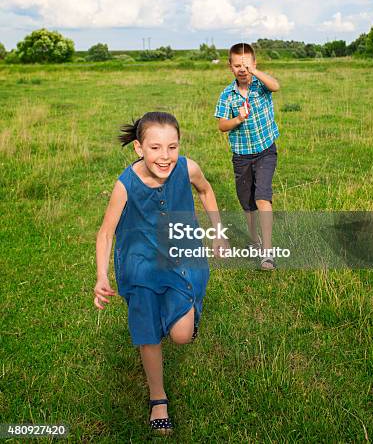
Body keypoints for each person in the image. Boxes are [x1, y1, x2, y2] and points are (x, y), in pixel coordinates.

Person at [94, 111, 226, 435]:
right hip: (140, 266)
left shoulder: (188, 168)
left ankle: (184, 315)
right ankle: (158, 398)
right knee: (147, 330)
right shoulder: (125, 185)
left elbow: (206, 191)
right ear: (139, 148)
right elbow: (106, 233)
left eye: (172, 147)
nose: (164, 157)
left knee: (181, 336)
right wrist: (102, 276)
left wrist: (218, 230)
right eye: (155, 148)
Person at [214, 43, 280, 270]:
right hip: (241, 156)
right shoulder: (227, 95)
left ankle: (267, 252)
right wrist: (238, 119)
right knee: (247, 203)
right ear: (230, 67)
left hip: (265, 151)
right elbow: (222, 125)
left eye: (246, 64)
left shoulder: (261, 85)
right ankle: (254, 241)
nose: (242, 69)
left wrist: (256, 72)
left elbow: (276, 86)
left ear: (253, 64)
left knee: (262, 196)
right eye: (237, 65)